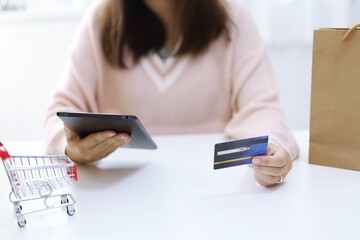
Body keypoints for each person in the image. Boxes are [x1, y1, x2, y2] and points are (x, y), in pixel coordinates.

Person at [44, 0, 299, 187]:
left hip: (210, 187)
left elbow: (261, 106)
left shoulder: (234, 20)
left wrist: (272, 148)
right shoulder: (99, 22)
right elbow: (61, 110)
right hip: (120, 190)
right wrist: (70, 149)